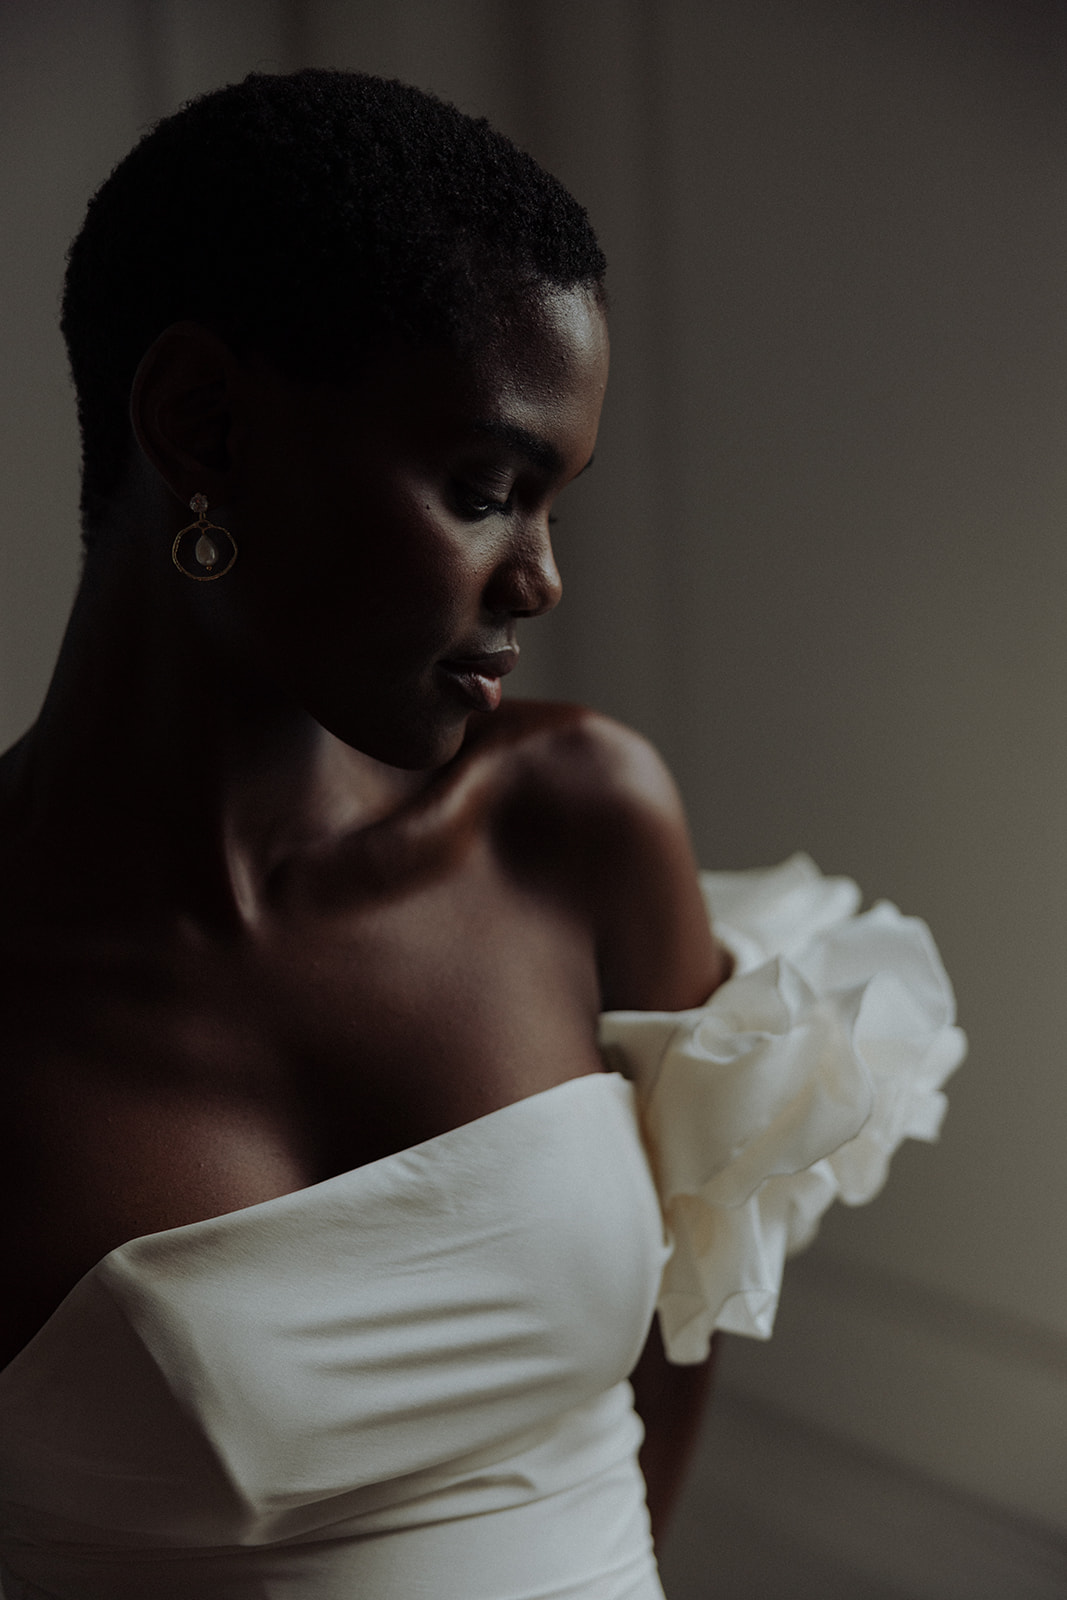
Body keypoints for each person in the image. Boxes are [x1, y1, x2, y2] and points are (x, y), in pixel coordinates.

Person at [0, 69, 964, 1600]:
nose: (540, 582)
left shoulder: (575, 822)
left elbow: (677, 1330)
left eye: (556, 507)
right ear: (202, 426)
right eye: (486, 490)